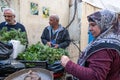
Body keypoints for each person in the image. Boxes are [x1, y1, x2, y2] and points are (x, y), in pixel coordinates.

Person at [60, 10, 120, 80]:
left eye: (93, 25)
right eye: (89, 25)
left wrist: (68, 64)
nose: (89, 29)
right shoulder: (114, 40)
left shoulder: (104, 47)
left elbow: (95, 76)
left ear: (105, 24)